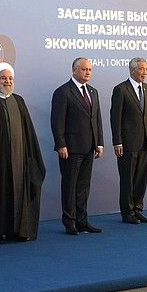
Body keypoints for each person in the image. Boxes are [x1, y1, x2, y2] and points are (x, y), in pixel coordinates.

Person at [0, 62, 46, 242]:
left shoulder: (19, 101)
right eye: (3, 78)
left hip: (20, 159)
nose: (7, 81)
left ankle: (18, 231)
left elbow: (28, 131)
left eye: (10, 78)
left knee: (20, 194)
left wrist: (30, 156)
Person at [50, 57, 104, 235]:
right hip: (70, 149)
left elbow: (97, 119)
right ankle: (69, 222)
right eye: (84, 69)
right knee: (70, 186)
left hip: (89, 147)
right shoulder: (63, 92)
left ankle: (82, 221)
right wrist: (61, 144)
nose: (87, 72)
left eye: (90, 70)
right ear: (74, 70)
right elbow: (57, 121)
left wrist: (99, 143)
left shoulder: (93, 91)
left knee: (83, 186)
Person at [110, 57, 147, 224]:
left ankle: (138, 209)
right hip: (127, 143)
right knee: (127, 179)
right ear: (132, 70)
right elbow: (115, 118)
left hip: (144, 142)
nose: (145, 72)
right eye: (142, 69)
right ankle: (127, 212)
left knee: (141, 179)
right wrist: (117, 142)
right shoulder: (121, 89)